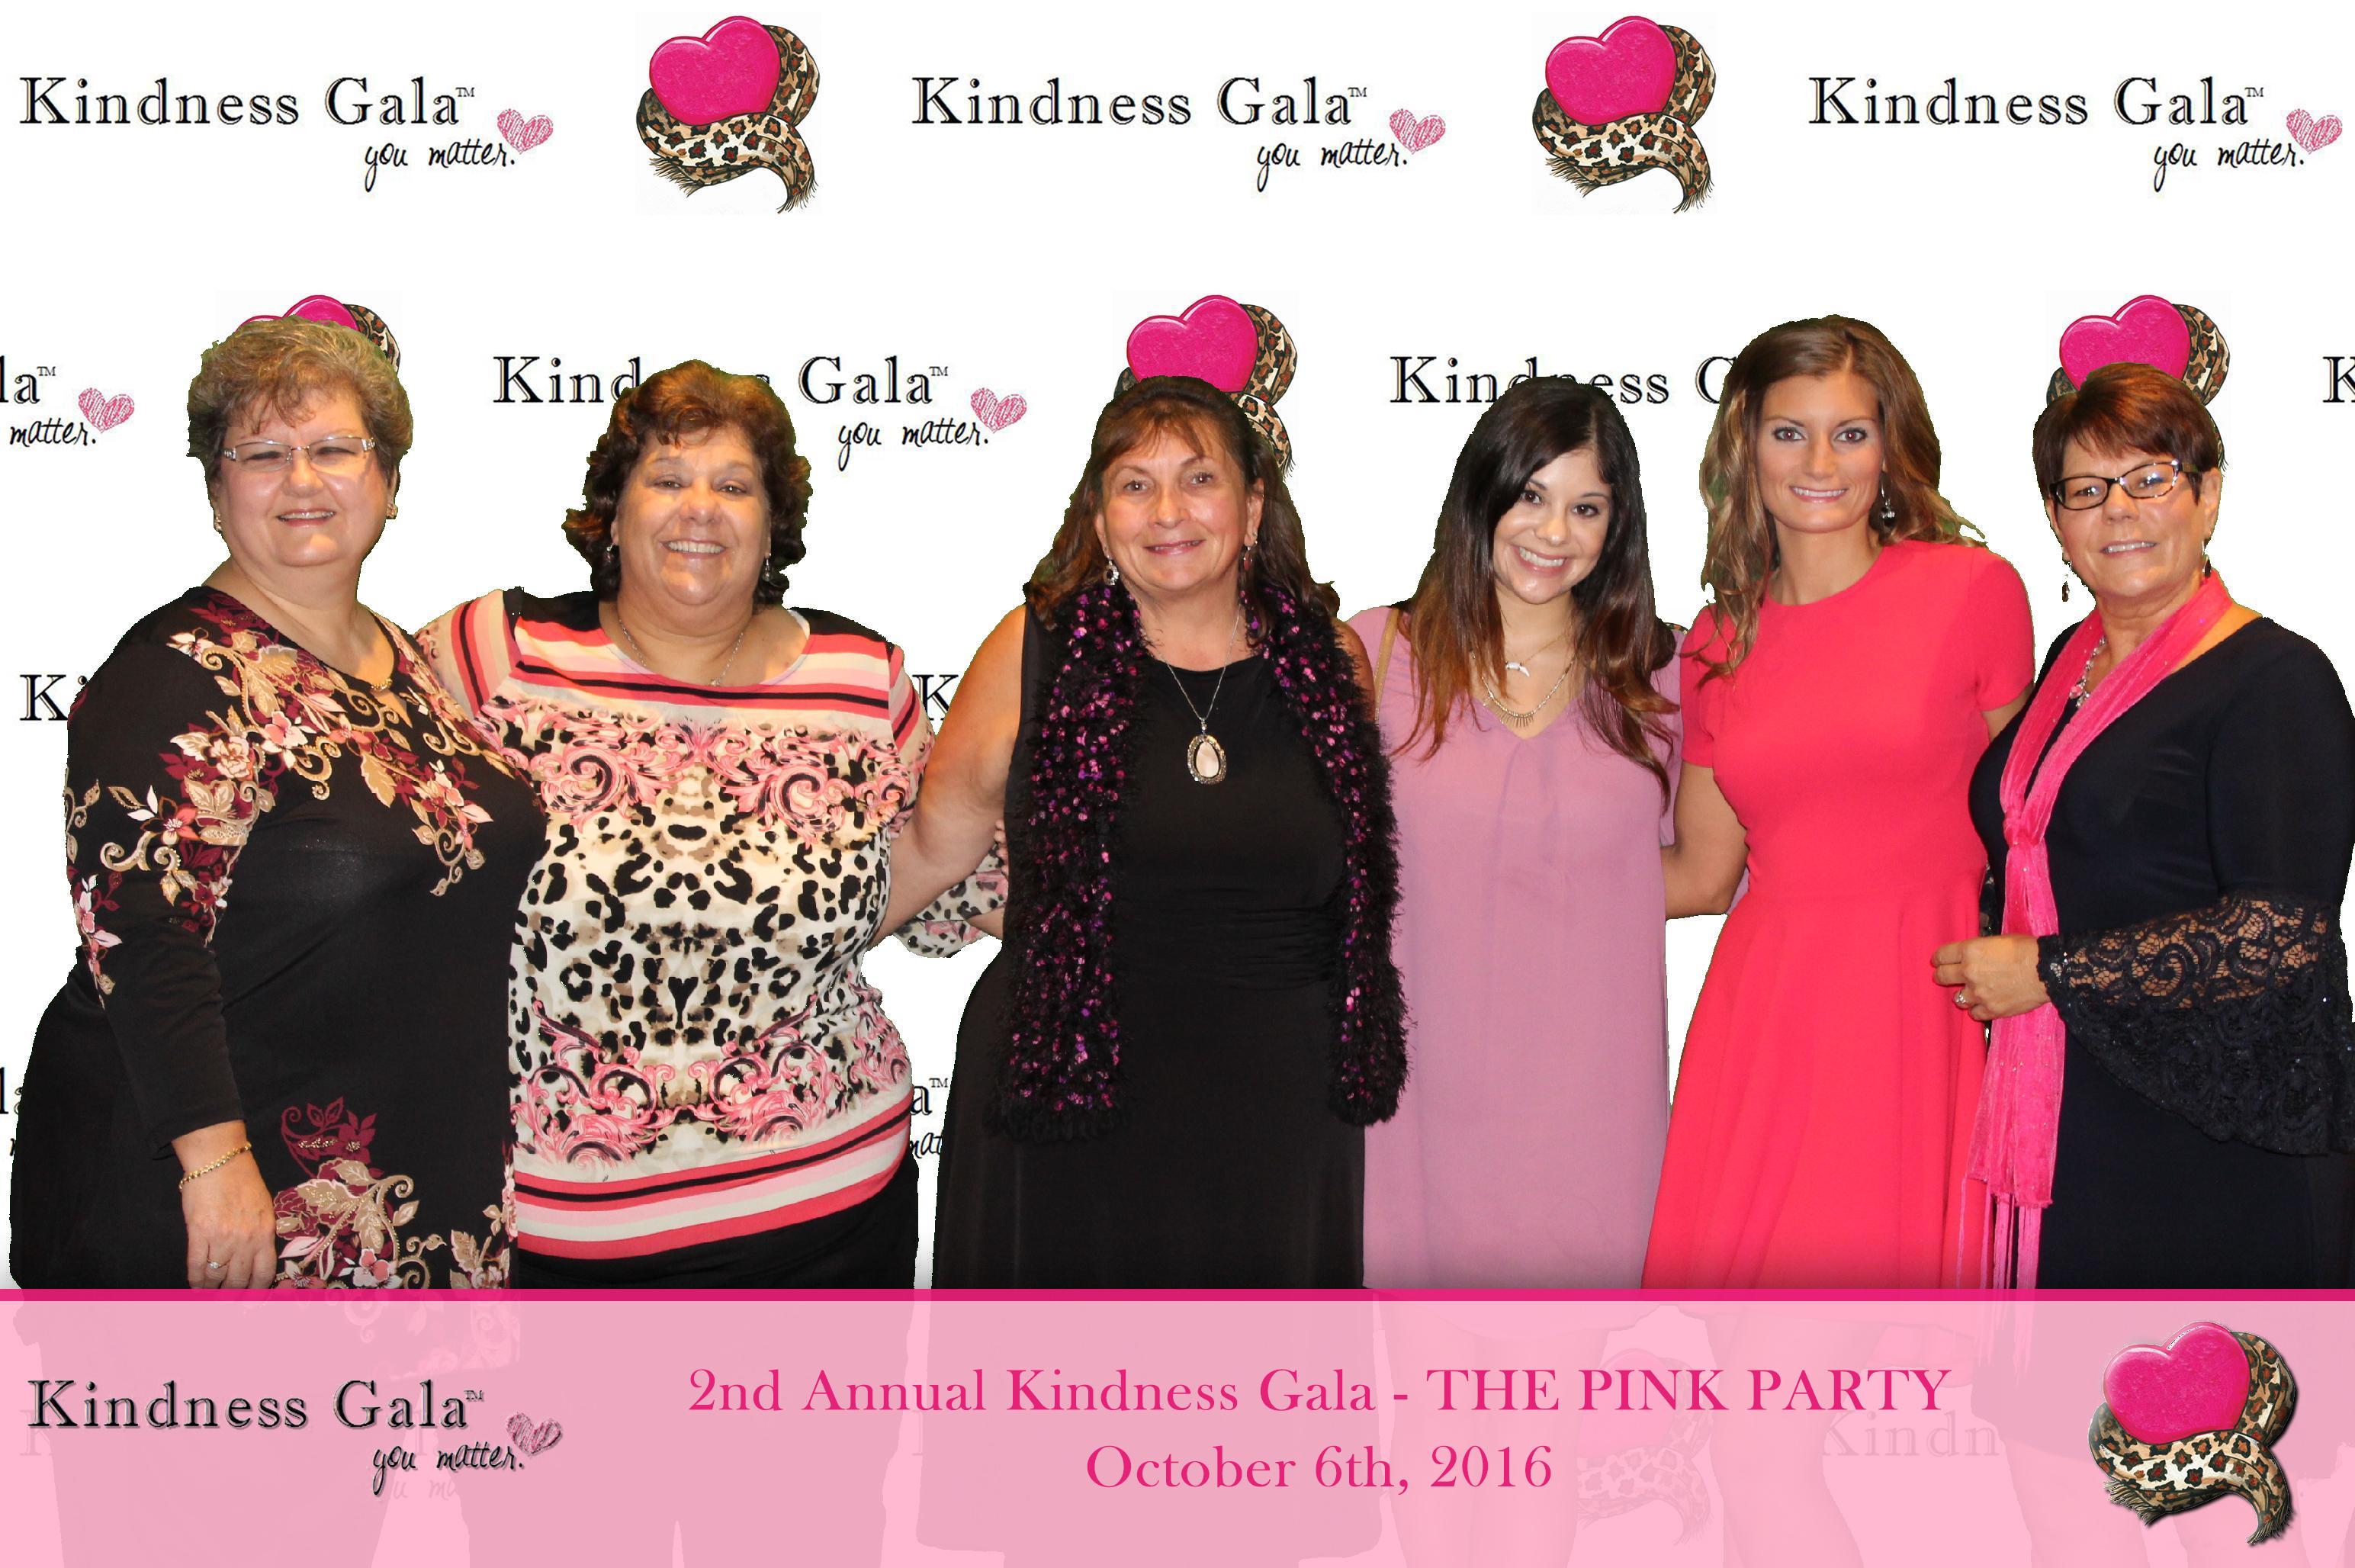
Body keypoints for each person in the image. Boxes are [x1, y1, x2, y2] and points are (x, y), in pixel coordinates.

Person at [419, 360, 994, 1287]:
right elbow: (366, 849)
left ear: (773, 528)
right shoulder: (495, 655)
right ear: (612, 516)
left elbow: (945, 881)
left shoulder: (861, 678)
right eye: (667, 478)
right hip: (560, 1247)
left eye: (734, 486)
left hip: (832, 1226)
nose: (700, 509)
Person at [10, 316, 541, 1288]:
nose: (303, 479)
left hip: (409, 1174)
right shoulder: (171, 675)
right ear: (216, 493)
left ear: (389, 481)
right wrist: (215, 1167)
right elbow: (143, 936)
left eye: (336, 448)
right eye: (262, 453)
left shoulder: (400, 659)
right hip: (228, 1199)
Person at [884, 374, 1406, 1287]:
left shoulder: (1333, 662)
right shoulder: (1030, 651)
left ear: (1253, 507)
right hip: (1065, 1110)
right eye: (1135, 484)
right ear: (1098, 516)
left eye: (1199, 479)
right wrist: (773, 961)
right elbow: (931, 848)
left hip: (1276, 1118)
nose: (1168, 511)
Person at [1937, 361, 2355, 1287]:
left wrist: (2048, 971)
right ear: (2055, 521)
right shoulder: (2067, 664)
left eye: (2150, 479)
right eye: (2085, 490)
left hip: (2217, 1151)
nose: (2117, 510)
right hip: (2075, 1122)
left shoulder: (2276, 679)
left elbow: (2280, 935)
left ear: (2207, 496)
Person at [1643, 315, 2034, 1288]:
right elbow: (1701, 874)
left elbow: (2037, 823)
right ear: (1744, 447)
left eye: (1849, 433)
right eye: (1789, 432)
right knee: (1764, 1354)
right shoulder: (1714, 641)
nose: (1819, 463)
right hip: (1770, 1019)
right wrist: (1517, 875)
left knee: (1905, 1339)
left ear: (1888, 448)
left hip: (1927, 1004)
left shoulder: (1973, 591)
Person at [1350, 377, 1679, 1288]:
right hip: (1418, 1094)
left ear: (1617, 526)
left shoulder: (1664, 672)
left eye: (1586, 507)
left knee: (1567, 1366)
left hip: (1591, 1106)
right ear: (1482, 493)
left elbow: (1704, 870)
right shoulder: (1373, 652)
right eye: (1530, 495)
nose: (1553, 531)